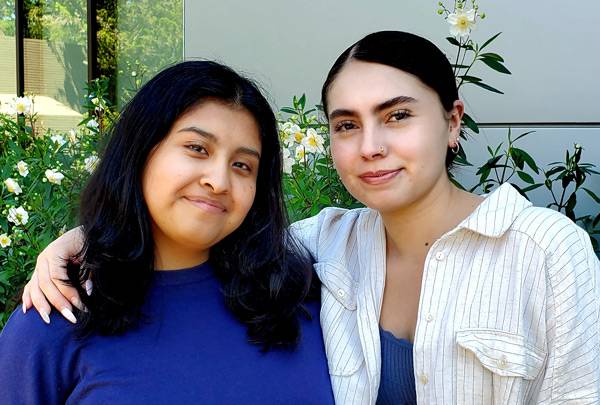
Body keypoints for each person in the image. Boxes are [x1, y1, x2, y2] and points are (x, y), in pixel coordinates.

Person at [20, 32, 600, 405]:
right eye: (346, 125)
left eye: (397, 115)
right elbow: (200, 224)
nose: (370, 145)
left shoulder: (546, 251)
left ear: (452, 123)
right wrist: (82, 240)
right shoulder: (324, 249)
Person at [0, 60, 334, 404]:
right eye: (197, 149)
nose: (218, 181)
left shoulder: (303, 296)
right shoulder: (57, 314)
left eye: (242, 166)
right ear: (141, 151)